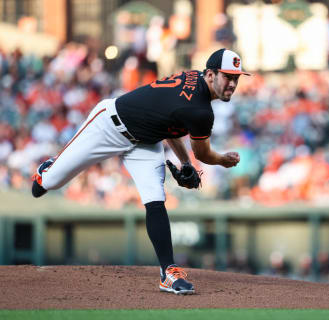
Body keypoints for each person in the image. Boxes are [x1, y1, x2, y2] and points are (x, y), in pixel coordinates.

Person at [31, 48, 250, 295]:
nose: (232, 83)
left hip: (145, 142)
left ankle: (169, 272)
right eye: (227, 77)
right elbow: (204, 154)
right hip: (109, 125)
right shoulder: (200, 110)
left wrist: (185, 164)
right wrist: (222, 160)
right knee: (48, 183)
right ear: (210, 75)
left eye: (236, 78)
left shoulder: (193, 80)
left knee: (155, 198)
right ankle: (46, 169)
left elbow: (170, 125)